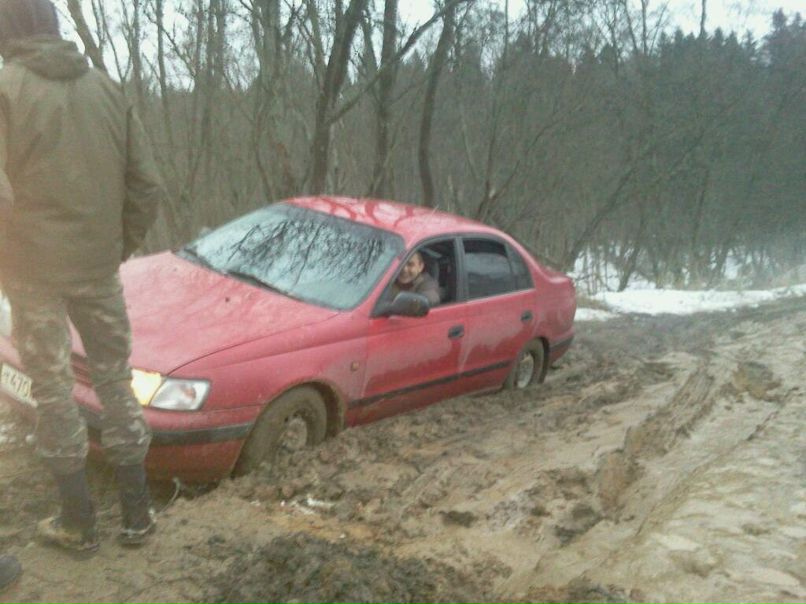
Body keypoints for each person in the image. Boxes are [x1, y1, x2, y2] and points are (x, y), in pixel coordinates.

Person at [0, 0, 165, 552]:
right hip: (97, 268)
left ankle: (78, 521)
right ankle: (137, 517)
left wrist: (11, 259)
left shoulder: (6, 89)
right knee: (115, 379)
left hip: (34, 273)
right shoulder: (107, 88)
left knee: (53, 390)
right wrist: (116, 246)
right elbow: (146, 186)